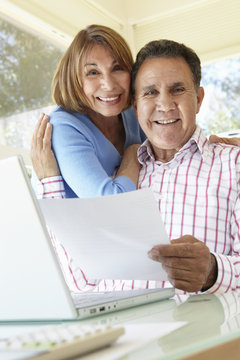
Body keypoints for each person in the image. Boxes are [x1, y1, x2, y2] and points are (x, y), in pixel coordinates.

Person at [32, 37, 240, 294]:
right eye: (150, 92)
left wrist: (214, 271)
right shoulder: (119, 176)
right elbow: (81, 281)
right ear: (135, 104)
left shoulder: (234, 165)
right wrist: (51, 183)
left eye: (177, 90)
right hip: (124, 331)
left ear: (198, 99)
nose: (164, 105)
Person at [31, 24, 146, 199]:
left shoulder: (132, 112)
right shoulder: (63, 127)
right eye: (93, 72)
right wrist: (133, 153)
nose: (109, 85)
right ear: (75, 80)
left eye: (117, 68)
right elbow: (111, 203)